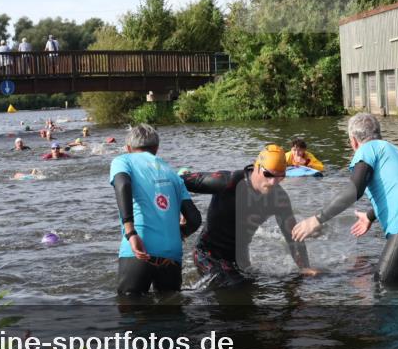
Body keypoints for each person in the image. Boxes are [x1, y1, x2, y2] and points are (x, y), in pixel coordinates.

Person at [291, 113, 398, 284]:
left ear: (353, 141)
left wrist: (316, 219)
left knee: (383, 287)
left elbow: (354, 190)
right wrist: (370, 215)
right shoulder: (396, 151)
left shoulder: (366, 149)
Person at [182, 144, 317, 289]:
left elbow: (292, 235)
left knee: (263, 286)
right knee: (234, 287)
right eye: (269, 174)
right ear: (257, 167)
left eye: (281, 176)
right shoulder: (229, 182)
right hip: (208, 254)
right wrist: (182, 209)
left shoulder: (279, 199)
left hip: (240, 259)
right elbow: (177, 181)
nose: (273, 182)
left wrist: (305, 267)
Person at [110, 124, 202, 296]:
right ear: (156, 148)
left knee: (131, 310)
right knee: (170, 312)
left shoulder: (122, 160)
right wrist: (181, 234)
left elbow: (122, 184)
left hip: (139, 248)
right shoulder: (172, 172)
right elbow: (195, 219)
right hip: (171, 254)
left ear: (128, 148)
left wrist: (130, 232)